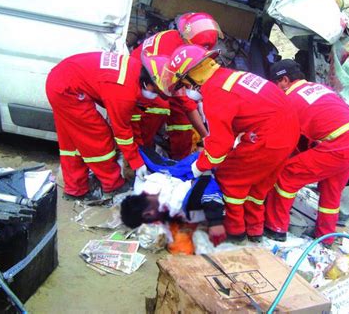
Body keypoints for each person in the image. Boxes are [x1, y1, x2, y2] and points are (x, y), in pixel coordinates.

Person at [160, 45, 300, 242]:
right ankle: (255, 230)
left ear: (195, 76)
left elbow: (219, 147)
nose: (187, 90)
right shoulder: (231, 77)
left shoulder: (215, 92)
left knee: (230, 180)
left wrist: (197, 167)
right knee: (258, 187)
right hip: (287, 137)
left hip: (267, 139)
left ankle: (236, 232)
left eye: (185, 84)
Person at [262, 59, 349, 243]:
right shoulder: (319, 88)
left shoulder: (289, 99)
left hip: (337, 145)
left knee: (287, 175)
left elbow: (279, 140)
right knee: (331, 192)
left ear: (285, 80)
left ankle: (275, 228)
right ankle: (325, 237)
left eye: (275, 84)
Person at [45, 51, 150, 200]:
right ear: (146, 83)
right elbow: (122, 131)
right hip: (68, 89)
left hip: (61, 79)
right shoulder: (124, 93)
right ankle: (113, 184)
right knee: (98, 137)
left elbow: (129, 119)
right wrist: (136, 162)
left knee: (73, 141)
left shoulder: (135, 69)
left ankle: (75, 189)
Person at [130, 12, 223, 158]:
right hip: (141, 83)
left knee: (183, 120)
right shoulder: (171, 51)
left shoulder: (179, 39)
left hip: (156, 80)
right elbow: (182, 98)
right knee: (161, 107)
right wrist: (206, 137)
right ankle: (143, 152)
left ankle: (180, 160)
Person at [120, 150, 226, 246]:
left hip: (211, 164)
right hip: (200, 162)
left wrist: (215, 221)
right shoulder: (140, 186)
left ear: (149, 214)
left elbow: (205, 186)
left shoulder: (178, 203)